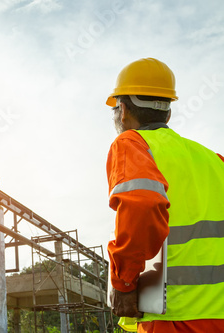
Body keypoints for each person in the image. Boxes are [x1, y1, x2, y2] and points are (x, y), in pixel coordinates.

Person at [105, 57, 224, 332]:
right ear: (168, 113)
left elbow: (142, 205)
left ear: (122, 110)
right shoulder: (214, 160)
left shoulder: (132, 144)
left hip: (175, 316)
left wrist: (124, 283)